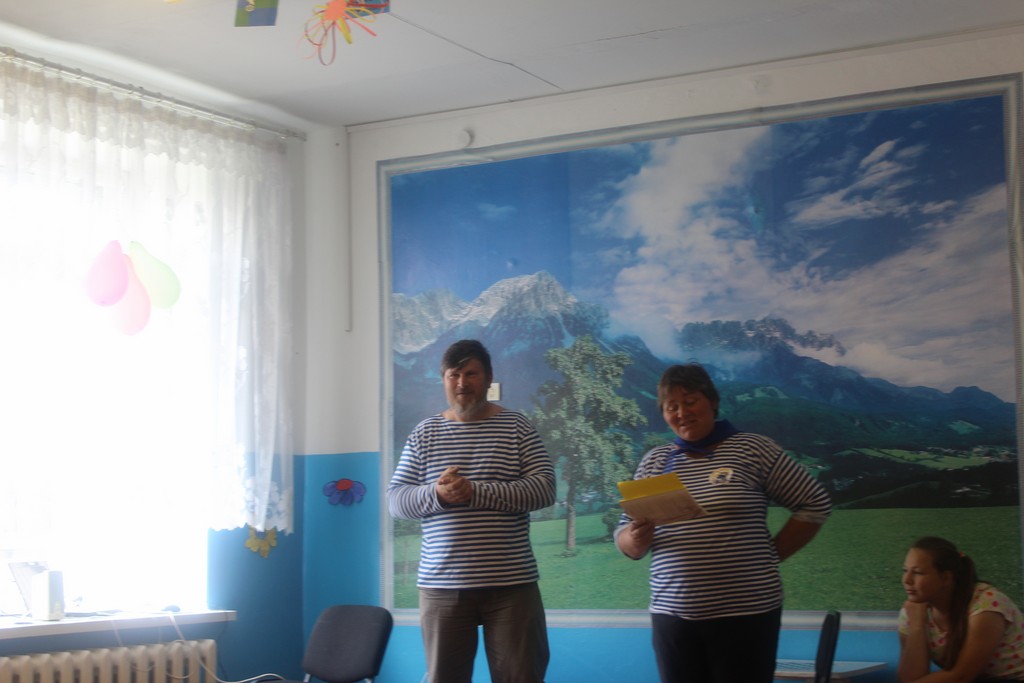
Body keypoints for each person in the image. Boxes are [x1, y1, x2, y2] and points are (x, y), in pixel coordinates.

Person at [615, 362, 832, 683]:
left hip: (747, 614)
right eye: (671, 407)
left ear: (712, 401)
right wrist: (634, 539)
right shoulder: (655, 461)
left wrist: (770, 556)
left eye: (690, 401)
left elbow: (814, 503)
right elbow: (624, 534)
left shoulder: (752, 448)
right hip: (671, 616)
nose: (682, 413)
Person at [387, 339, 556, 683]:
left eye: (471, 374)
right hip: (441, 586)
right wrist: (438, 494)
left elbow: (544, 489)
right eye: (454, 375)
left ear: (488, 378)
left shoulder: (517, 426)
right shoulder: (425, 432)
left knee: (522, 677)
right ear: (444, 380)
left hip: (512, 585)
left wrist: (476, 491)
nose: (462, 382)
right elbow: (396, 500)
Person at [898, 536, 1024, 682]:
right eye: (905, 570)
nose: (906, 580)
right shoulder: (912, 612)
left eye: (918, 572)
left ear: (946, 578)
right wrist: (916, 626)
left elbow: (961, 677)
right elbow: (910, 679)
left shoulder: (986, 603)